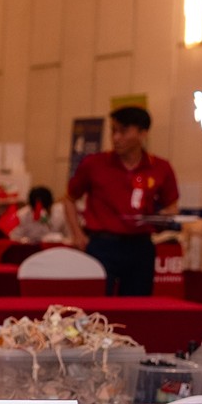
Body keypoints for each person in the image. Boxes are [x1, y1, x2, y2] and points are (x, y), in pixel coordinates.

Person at [64, 103, 178, 296]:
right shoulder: (94, 164)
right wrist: (77, 234)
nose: (116, 138)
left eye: (123, 131)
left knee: (137, 306)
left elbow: (172, 207)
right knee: (96, 304)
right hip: (101, 244)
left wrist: (163, 217)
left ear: (143, 133)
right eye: (113, 131)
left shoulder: (161, 167)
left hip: (140, 246)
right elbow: (69, 199)